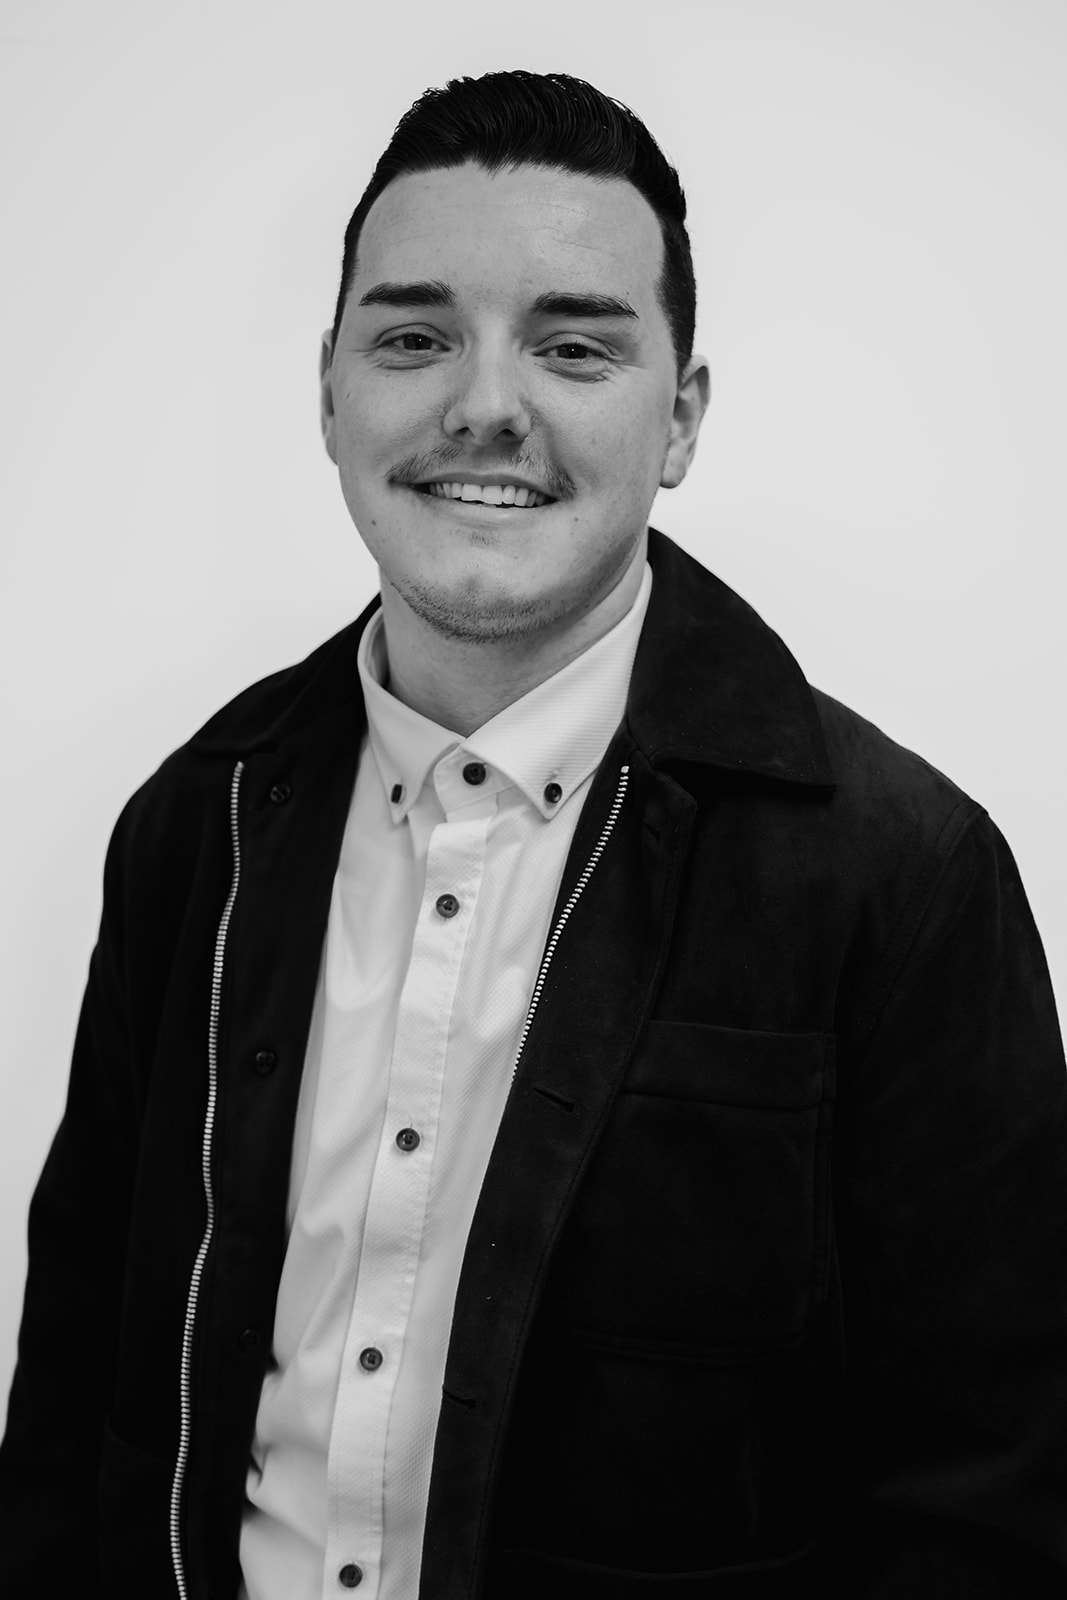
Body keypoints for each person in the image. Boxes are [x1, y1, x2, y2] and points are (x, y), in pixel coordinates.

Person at [1, 68, 1065, 1600]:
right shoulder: (197, 824)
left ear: (681, 415)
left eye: (573, 345)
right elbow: (73, 1407)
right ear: (329, 389)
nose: (482, 403)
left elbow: (995, 1508)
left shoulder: (901, 877)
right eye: (414, 337)